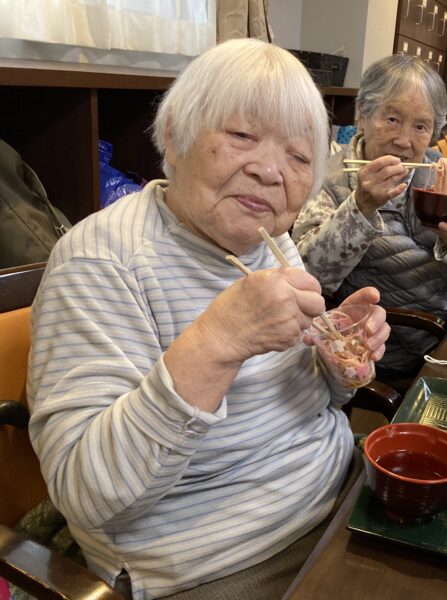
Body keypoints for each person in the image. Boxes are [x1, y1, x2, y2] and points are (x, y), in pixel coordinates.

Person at [26, 39, 389, 600]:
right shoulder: (101, 260)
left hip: (339, 496)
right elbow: (89, 495)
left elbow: (304, 406)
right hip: (221, 561)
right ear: (175, 136)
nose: (270, 170)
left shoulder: (271, 244)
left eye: (298, 157)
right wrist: (218, 341)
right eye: (241, 135)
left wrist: (337, 361)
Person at [291, 54, 447, 378]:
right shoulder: (329, 179)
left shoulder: (433, 168)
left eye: (421, 126)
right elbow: (311, 274)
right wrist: (361, 206)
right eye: (393, 119)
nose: (404, 141)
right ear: (363, 115)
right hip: (402, 340)